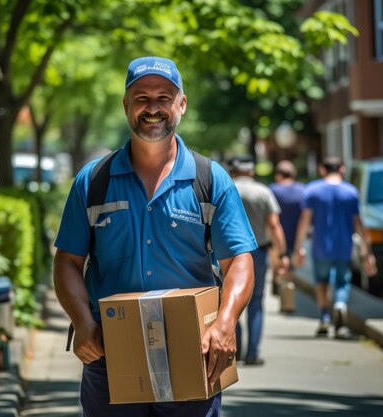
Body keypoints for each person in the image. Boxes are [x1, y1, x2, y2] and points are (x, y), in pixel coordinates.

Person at [52, 56, 257, 417]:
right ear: (126, 105)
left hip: (192, 351)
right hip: (110, 352)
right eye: (141, 97)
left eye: (164, 97)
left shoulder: (210, 179)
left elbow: (239, 260)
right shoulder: (92, 180)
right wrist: (82, 322)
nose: (153, 108)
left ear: (181, 104)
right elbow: (67, 261)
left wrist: (225, 323)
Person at [292, 156, 376, 338]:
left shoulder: (312, 190)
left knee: (321, 281)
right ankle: (340, 305)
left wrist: (298, 246)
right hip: (344, 246)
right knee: (342, 281)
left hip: (320, 245)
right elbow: (358, 223)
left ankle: (324, 316)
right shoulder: (351, 192)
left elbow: (304, 221)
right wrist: (367, 250)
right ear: (342, 169)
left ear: (322, 169)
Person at [229, 156, 288, 366]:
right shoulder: (263, 192)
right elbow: (274, 224)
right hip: (258, 253)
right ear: (252, 171)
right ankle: (253, 353)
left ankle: (235, 351)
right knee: (256, 302)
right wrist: (282, 253)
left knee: (231, 300)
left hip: (230, 253)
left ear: (233, 171)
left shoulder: (225, 188)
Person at [269, 160, 306, 303]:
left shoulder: (273, 190)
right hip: (297, 237)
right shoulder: (303, 190)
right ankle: (288, 300)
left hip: (276, 237)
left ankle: (282, 294)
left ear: (279, 175)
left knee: (278, 267)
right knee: (290, 269)